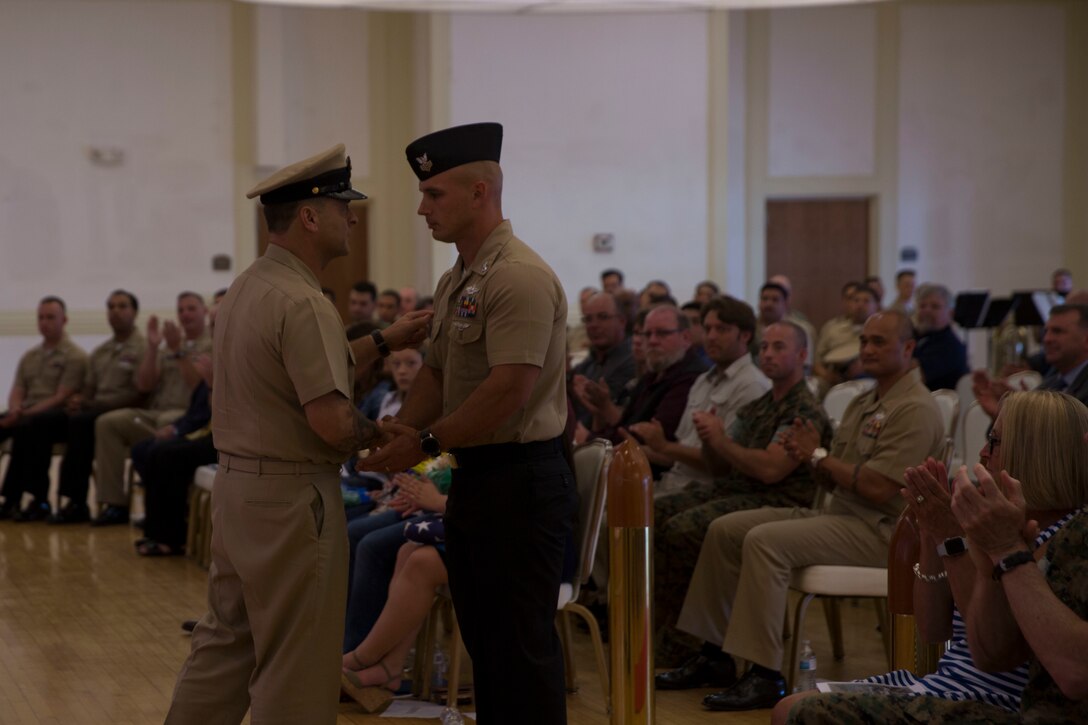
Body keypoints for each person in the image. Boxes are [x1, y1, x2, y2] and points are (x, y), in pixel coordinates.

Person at [165, 143, 429, 725]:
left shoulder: (249, 288)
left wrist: (383, 340)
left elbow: (294, 370)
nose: (353, 219)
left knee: (225, 647)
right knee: (298, 663)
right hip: (289, 501)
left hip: (240, 492)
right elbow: (332, 423)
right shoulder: (306, 302)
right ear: (310, 216)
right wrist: (380, 438)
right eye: (344, 207)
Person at [358, 122, 575, 724]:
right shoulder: (459, 277)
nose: (422, 208)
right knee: (486, 643)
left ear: (481, 193)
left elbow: (509, 388)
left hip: (523, 481)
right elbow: (435, 371)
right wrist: (397, 431)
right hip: (480, 476)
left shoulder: (518, 276)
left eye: (435, 195)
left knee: (520, 650)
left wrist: (423, 444)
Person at [658, 310, 945, 711]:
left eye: (879, 341)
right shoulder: (866, 400)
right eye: (864, 341)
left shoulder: (913, 407)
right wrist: (815, 460)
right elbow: (833, 473)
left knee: (765, 541)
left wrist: (818, 456)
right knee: (724, 529)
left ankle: (764, 674)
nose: (867, 349)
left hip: (884, 532)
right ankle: (713, 654)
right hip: (841, 515)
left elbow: (880, 488)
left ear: (908, 348)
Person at [777, 389, 1088, 724]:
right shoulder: (994, 520)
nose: (983, 452)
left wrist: (955, 542)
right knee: (792, 705)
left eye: (995, 441)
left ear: (1035, 453)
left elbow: (996, 651)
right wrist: (934, 534)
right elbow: (933, 629)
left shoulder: (1065, 539)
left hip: (992, 701)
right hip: (946, 685)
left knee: (794, 711)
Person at [653, 321, 829, 667]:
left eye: (779, 347)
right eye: (764, 347)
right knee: (657, 512)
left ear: (802, 355)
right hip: (737, 490)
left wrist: (721, 441)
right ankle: (661, 630)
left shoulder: (803, 409)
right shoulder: (759, 405)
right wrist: (711, 441)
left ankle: (691, 644)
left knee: (684, 528)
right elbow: (721, 468)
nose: (768, 354)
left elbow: (770, 469)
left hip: (778, 501)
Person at [90, 291, 212, 526]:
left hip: (186, 416)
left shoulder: (211, 345)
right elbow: (145, 385)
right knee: (108, 422)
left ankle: (163, 510)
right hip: (155, 411)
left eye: (191, 309)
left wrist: (179, 352)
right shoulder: (168, 345)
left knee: (165, 422)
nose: (185, 314)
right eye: (181, 310)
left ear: (204, 312)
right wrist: (154, 348)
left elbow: (198, 386)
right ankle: (115, 504)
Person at [628, 295, 768, 497]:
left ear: (745, 336)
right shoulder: (703, 381)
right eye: (707, 328)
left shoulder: (751, 385)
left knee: (619, 520)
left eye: (721, 329)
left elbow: (726, 463)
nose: (711, 337)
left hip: (708, 490)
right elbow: (681, 450)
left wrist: (664, 446)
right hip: (673, 482)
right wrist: (637, 451)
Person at [0, 296, 88, 520]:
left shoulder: (75, 356)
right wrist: (15, 409)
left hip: (58, 418)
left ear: (64, 320)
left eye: (50, 317)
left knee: (30, 427)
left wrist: (23, 414)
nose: (44, 322)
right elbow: (18, 389)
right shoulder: (30, 356)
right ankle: (13, 500)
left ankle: (32, 500)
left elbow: (61, 397)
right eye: (40, 317)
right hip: (27, 414)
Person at [973, 303, 1088, 416]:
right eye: (1046, 331)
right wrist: (1004, 413)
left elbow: (1068, 432)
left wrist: (1024, 411)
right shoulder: (1048, 385)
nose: (1047, 339)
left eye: (1057, 331)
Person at [568, 291, 634, 428]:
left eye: (603, 317)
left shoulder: (632, 361)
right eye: (588, 319)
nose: (593, 325)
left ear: (622, 321)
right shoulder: (592, 359)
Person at [913, 282, 968, 391]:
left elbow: (913, 378)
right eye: (922, 306)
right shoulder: (915, 336)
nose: (927, 310)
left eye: (935, 306)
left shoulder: (950, 346)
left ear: (950, 314)